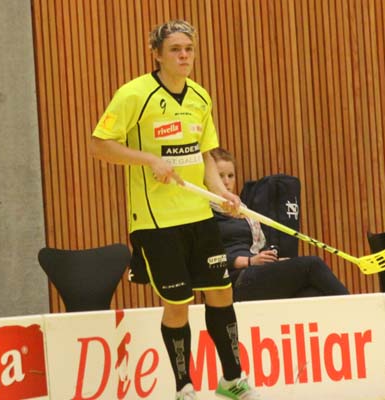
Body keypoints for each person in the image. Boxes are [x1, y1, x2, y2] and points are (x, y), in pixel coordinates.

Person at [89, 20, 262, 400]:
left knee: (221, 294)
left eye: (189, 49)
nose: (184, 56)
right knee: (178, 304)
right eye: (175, 49)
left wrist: (222, 193)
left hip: (199, 215)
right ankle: (184, 388)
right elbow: (99, 145)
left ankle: (232, 381)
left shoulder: (200, 97)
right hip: (157, 221)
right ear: (157, 54)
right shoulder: (134, 95)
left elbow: (205, 156)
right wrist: (149, 159)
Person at [210, 147, 349, 301]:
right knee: (312, 265)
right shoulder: (206, 213)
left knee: (312, 293)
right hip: (235, 281)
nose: (226, 182)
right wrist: (248, 261)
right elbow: (208, 258)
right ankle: (360, 309)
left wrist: (273, 261)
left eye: (230, 175)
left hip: (256, 271)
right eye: (220, 176)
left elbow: (257, 247)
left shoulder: (243, 210)